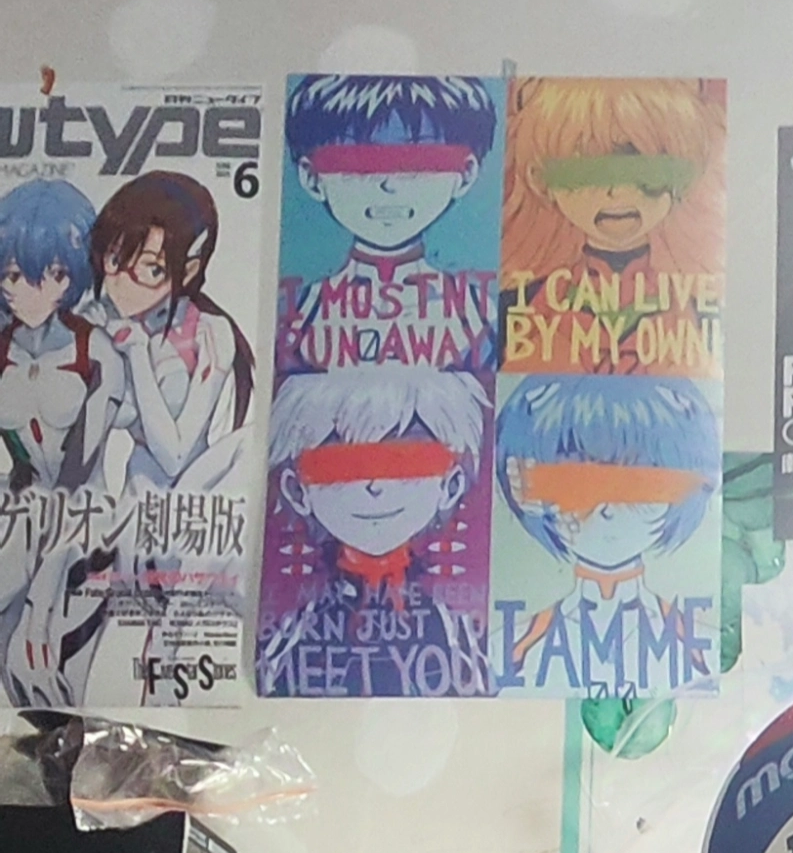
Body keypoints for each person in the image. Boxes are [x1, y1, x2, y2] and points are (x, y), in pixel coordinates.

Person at [257, 362, 489, 696]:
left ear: (450, 485)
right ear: (297, 491)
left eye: (405, 461)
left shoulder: (456, 634)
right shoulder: (292, 636)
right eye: (339, 465)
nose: (374, 486)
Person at [493, 374, 719, 697]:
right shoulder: (510, 650)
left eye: (640, 487)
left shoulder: (701, 652)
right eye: (576, 487)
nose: (608, 510)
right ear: (524, 493)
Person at [501, 79, 724, 375]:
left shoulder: (703, 309)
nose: (615, 192)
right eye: (585, 171)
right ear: (541, 181)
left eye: (644, 170)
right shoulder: (518, 305)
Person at [281, 75, 499, 373]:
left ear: (466, 173)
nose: (388, 185)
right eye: (357, 165)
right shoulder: (299, 313)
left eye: (418, 164)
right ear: (310, 177)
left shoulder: (480, 315)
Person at [90, 171, 255, 491]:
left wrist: (138, 354)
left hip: (198, 491)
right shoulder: (100, 320)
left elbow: (174, 456)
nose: (123, 281)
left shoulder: (208, 333)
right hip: (134, 496)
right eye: (115, 258)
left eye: (152, 269)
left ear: (189, 271)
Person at [0, 178, 125, 494]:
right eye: (15, 276)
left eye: (56, 274)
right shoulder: (3, 349)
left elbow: (79, 466)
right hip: (19, 509)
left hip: (83, 512)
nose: (34, 293)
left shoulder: (96, 351)